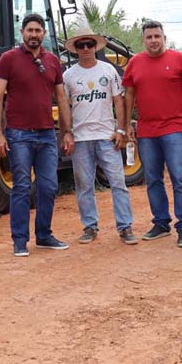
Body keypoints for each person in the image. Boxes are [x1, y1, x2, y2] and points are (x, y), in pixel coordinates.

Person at [0, 13, 74, 257]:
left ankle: (44, 235)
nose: (34, 34)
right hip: (18, 134)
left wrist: (67, 132)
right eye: (30, 30)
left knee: (48, 186)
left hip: (47, 133)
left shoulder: (53, 62)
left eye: (38, 30)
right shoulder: (9, 59)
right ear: (22, 33)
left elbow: (61, 97)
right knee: (22, 186)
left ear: (44, 34)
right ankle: (19, 240)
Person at [123, 20, 182, 248]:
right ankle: (161, 222)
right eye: (149, 37)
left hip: (175, 129)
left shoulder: (179, 59)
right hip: (147, 131)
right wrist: (128, 123)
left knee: (180, 177)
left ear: (164, 38)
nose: (153, 40)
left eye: (157, 36)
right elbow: (129, 94)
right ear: (143, 40)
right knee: (153, 179)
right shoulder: (135, 63)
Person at [62, 27, 137, 245]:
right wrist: (67, 132)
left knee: (118, 182)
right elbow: (65, 106)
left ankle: (125, 227)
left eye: (89, 44)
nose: (85, 48)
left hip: (107, 136)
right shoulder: (68, 76)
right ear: (75, 49)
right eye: (80, 45)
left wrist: (120, 130)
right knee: (84, 185)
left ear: (96, 46)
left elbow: (118, 101)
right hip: (81, 138)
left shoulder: (108, 71)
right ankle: (90, 226)